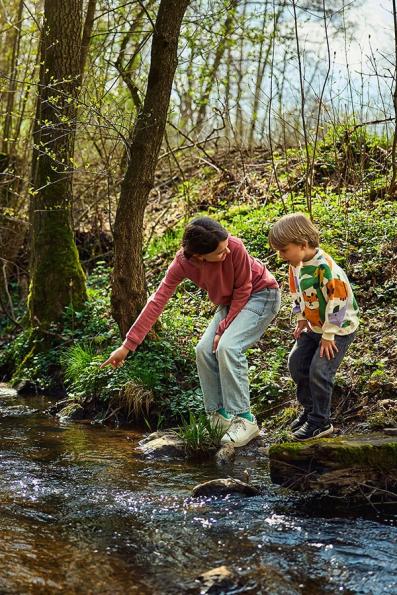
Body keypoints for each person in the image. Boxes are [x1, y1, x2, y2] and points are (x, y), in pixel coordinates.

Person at [102, 217, 281, 447]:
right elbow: (157, 300)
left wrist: (222, 328)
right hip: (231, 304)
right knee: (203, 350)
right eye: (219, 252)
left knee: (228, 347)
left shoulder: (234, 247)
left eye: (226, 247)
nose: (226, 252)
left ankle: (245, 420)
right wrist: (127, 346)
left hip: (261, 294)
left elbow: (244, 288)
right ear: (199, 256)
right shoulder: (183, 263)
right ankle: (218, 418)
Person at [269, 213, 359, 441]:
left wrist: (329, 335)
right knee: (296, 364)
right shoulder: (295, 264)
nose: (281, 256)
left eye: (284, 250)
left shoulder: (326, 269)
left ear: (303, 244)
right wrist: (300, 318)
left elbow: (338, 302)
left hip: (338, 328)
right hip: (314, 326)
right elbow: (297, 292)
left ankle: (321, 422)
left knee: (319, 370)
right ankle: (310, 411)